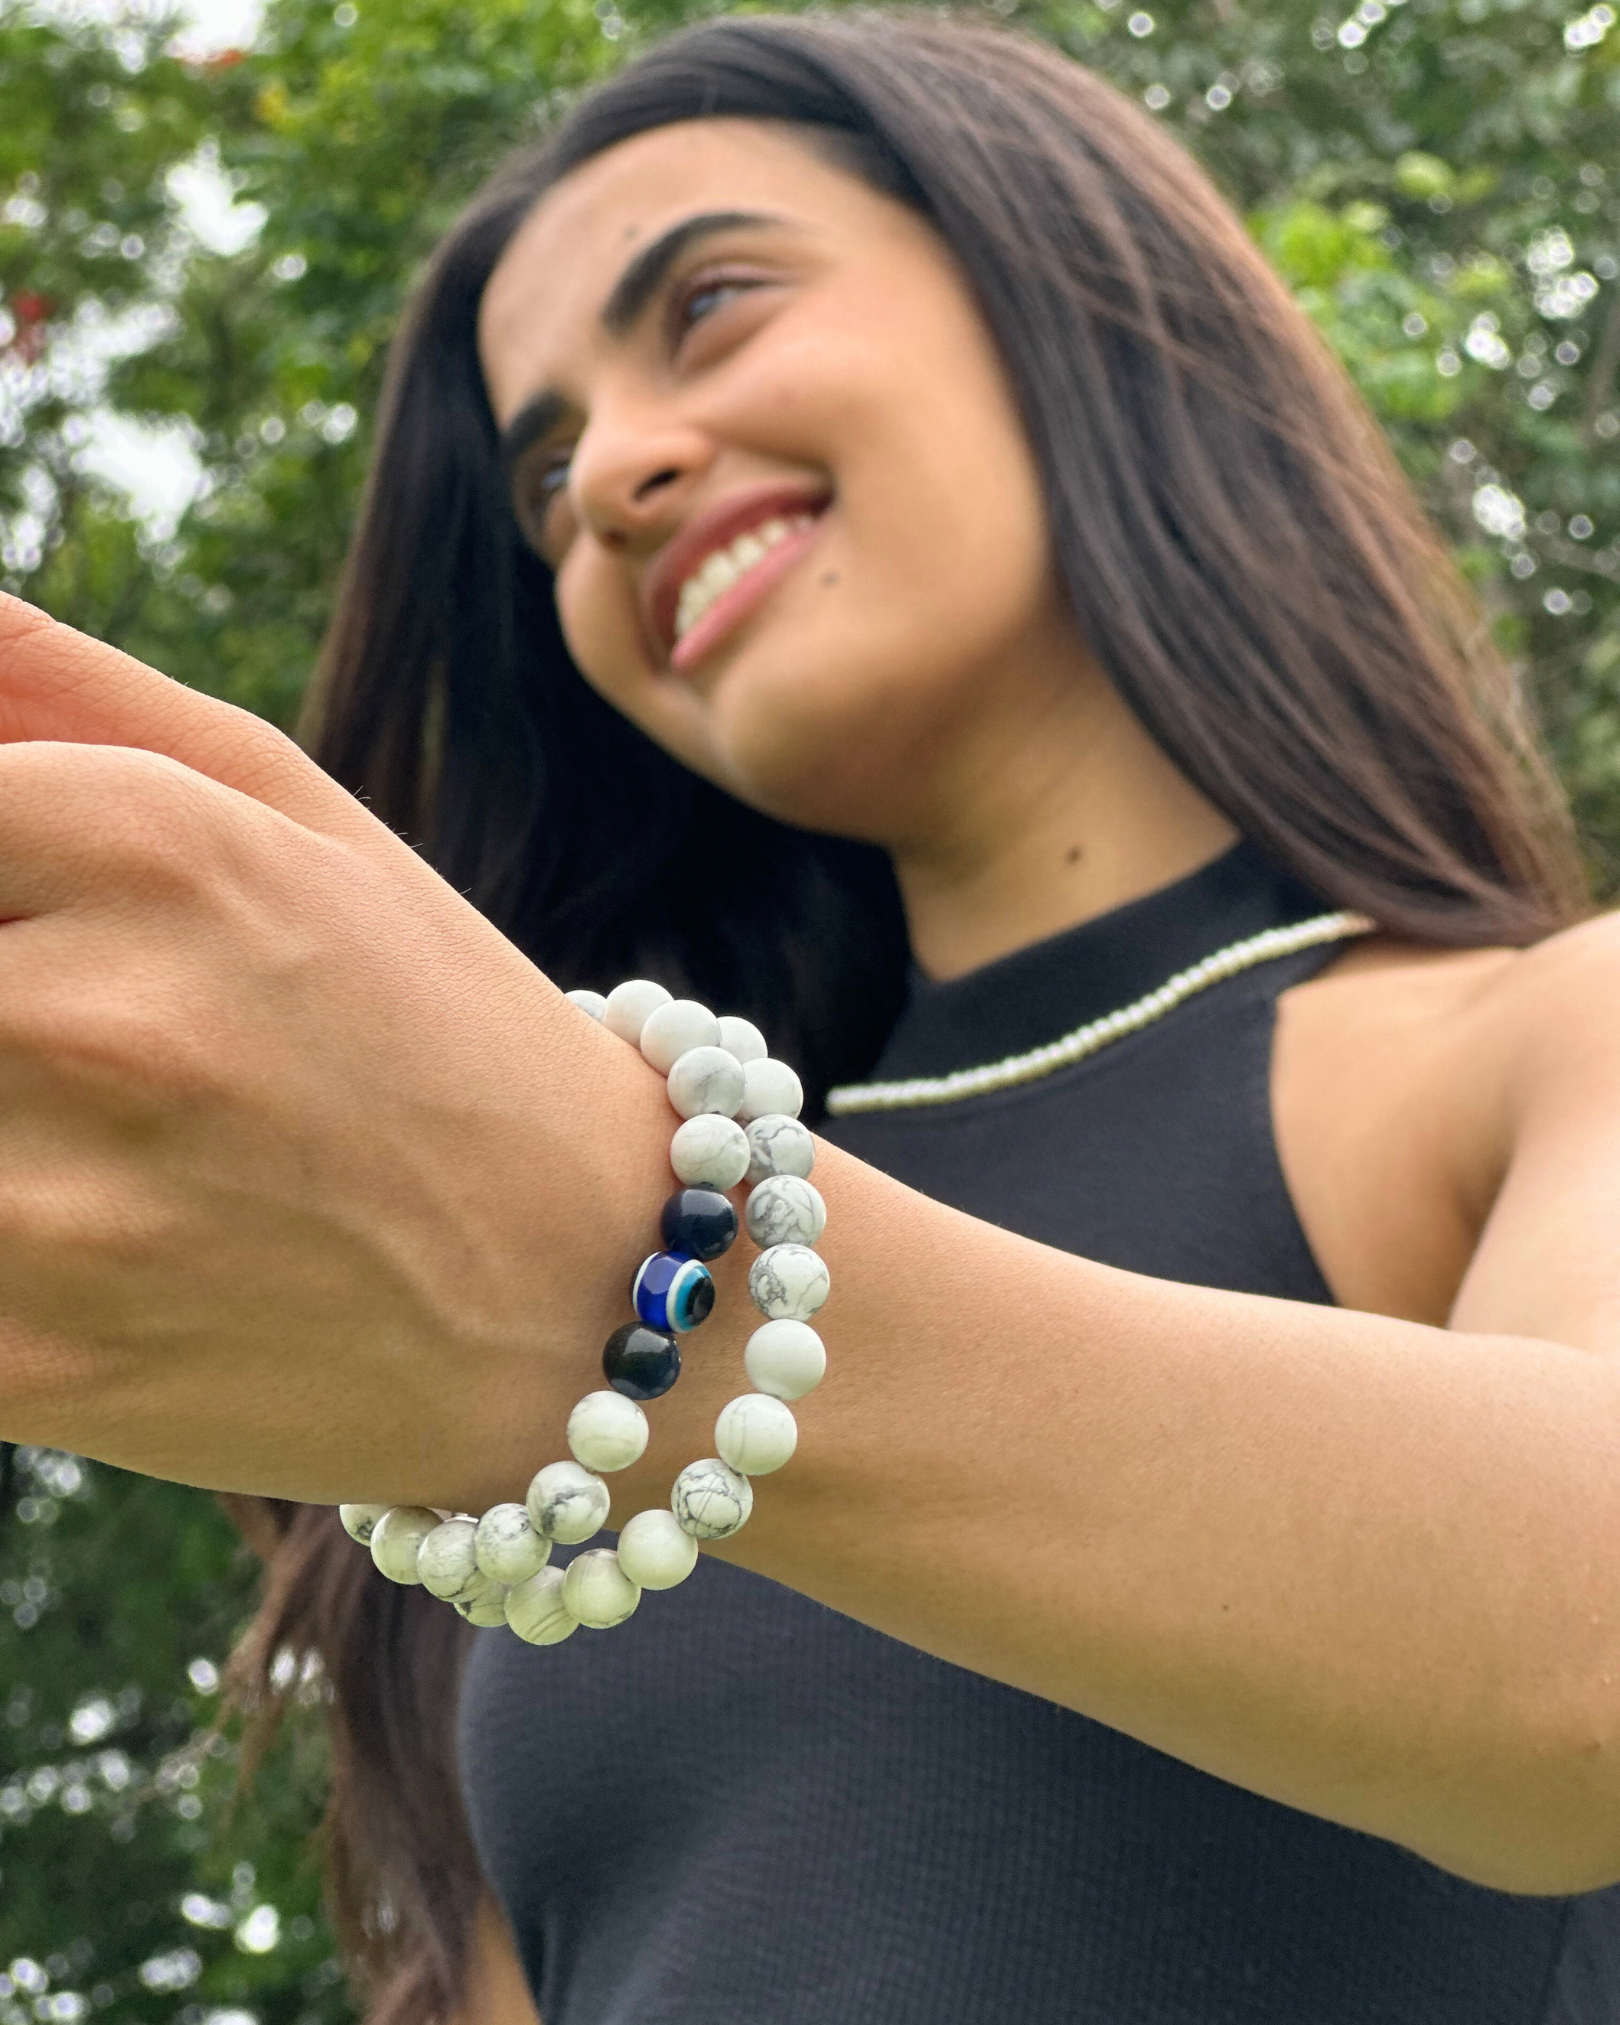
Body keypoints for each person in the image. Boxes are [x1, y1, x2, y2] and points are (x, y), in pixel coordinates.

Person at [3, 9, 1620, 2021]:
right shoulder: (493, 1437)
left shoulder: (1537, 1036)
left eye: (712, 305)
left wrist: (622, 1270)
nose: (610, 476)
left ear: (1064, 293)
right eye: (544, 473)